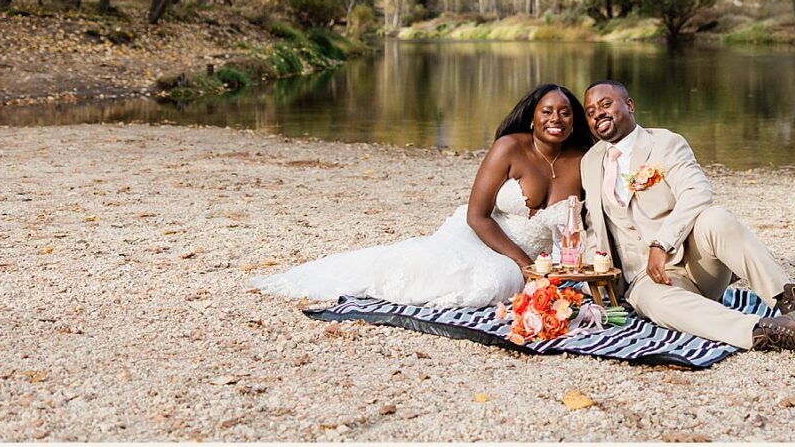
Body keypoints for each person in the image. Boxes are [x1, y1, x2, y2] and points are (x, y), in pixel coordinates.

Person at [253, 83, 594, 307]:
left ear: (575, 120)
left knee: (498, 283)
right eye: (547, 111)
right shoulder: (509, 147)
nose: (556, 119)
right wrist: (524, 263)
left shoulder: (584, 161)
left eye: (564, 113)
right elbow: (477, 216)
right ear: (533, 117)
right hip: (483, 237)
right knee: (480, 278)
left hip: (542, 261)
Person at [580, 80, 795, 358]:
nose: (598, 114)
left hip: (696, 260)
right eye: (591, 111)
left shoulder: (666, 143)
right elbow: (595, 226)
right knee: (654, 304)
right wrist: (589, 276)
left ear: (629, 105)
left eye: (606, 104)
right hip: (646, 278)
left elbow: (698, 191)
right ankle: (770, 331)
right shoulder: (590, 161)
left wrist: (662, 242)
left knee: (716, 218)